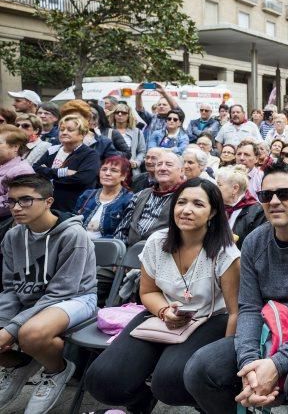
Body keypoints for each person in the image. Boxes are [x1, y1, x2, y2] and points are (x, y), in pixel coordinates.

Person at [184, 162, 288, 414]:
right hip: (268, 327)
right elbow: (249, 307)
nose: (274, 201)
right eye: (266, 195)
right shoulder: (254, 242)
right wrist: (250, 363)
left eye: (284, 193)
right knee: (198, 369)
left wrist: (276, 363)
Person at [84, 178, 240, 411]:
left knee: (170, 382)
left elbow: (236, 311)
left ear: (213, 212)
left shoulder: (225, 253)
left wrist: (223, 358)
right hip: (162, 313)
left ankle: (199, 401)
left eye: (198, 204)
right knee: (103, 381)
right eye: (181, 202)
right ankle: (140, 400)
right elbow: (147, 291)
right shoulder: (157, 242)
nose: (186, 210)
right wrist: (165, 311)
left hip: (212, 319)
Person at [0, 174, 96, 413]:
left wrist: (10, 330)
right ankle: (19, 366)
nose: (16, 207)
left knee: (30, 333)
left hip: (76, 298)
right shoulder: (13, 235)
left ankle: (56, 369)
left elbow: (62, 291)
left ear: (48, 201)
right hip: (32, 301)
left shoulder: (73, 235)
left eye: (25, 200)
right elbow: (11, 288)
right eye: (11, 201)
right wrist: (4, 324)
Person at [114, 151, 184, 245]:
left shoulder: (185, 196)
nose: (162, 168)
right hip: (130, 252)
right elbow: (122, 229)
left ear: (182, 171)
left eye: (169, 165)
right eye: (159, 164)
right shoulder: (140, 195)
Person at [34, 115, 101, 212]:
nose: (64, 132)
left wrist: (48, 176)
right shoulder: (53, 150)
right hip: (45, 204)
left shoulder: (90, 154)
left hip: (71, 208)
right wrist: (63, 172)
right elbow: (36, 169)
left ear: (82, 134)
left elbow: (82, 179)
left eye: (70, 130)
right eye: (61, 129)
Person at [74, 155, 134, 239]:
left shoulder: (129, 199)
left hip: (106, 248)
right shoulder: (87, 195)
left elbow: (121, 235)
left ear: (123, 176)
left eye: (114, 170)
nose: (107, 173)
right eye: (104, 169)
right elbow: (73, 222)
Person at [215, 165, 265, 249]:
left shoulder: (257, 212)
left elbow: (256, 245)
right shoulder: (214, 206)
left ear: (235, 188)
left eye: (219, 185)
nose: (215, 188)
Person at [111, 103, 146, 173]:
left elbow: (142, 152)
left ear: (129, 115)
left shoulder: (137, 132)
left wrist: (136, 162)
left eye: (123, 113)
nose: (120, 114)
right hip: (112, 167)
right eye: (117, 112)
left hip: (131, 170)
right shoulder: (108, 131)